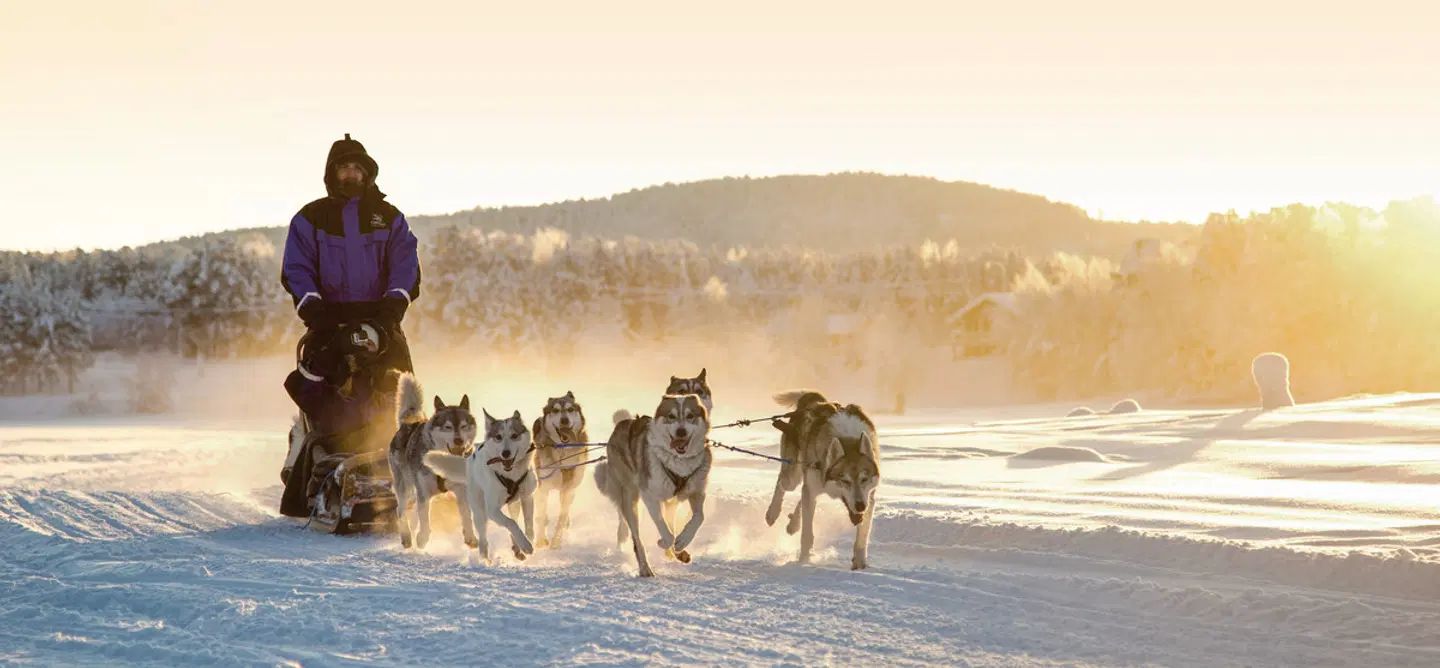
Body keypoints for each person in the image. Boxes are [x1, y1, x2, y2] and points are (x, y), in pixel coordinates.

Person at [280, 133, 421, 375]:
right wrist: (316, 314)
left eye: (357, 168)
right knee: (314, 388)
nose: (351, 173)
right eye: (344, 167)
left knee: (401, 392)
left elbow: (405, 265)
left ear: (367, 174)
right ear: (332, 173)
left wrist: (391, 311)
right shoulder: (310, 218)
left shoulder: (390, 218)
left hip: (382, 322)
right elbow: (297, 269)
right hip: (327, 324)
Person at [278, 323, 401, 518]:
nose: (364, 347)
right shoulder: (331, 371)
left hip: (376, 441)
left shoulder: (384, 376)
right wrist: (327, 357)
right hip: (336, 439)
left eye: (370, 343)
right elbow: (300, 387)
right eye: (360, 341)